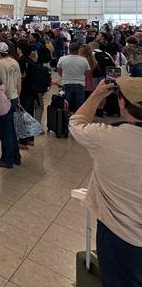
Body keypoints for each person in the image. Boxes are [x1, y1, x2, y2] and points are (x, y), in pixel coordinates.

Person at [69, 78, 142, 287]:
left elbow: (76, 122)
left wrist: (97, 94)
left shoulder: (105, 137)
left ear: (122, 103)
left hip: (119, 234)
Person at [0, 42, 22, 169]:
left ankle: (7, 159)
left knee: (5, 131)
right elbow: (19, 82)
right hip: (14, 97)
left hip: (6, 100)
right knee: (12, 130)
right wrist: (17, 96)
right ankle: (16, 156)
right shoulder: (15, 62)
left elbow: (2, 85)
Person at [57, 43, 91, 112]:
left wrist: (64, 76)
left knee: (66, 104)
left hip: (66, 83)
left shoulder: (62, 59)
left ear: (69, 49)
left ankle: (66, 118)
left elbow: (59, 71)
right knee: (79, 105)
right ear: (79, 50)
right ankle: (77, 119)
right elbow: (88, 73)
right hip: (80, 84)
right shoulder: (84, 60)